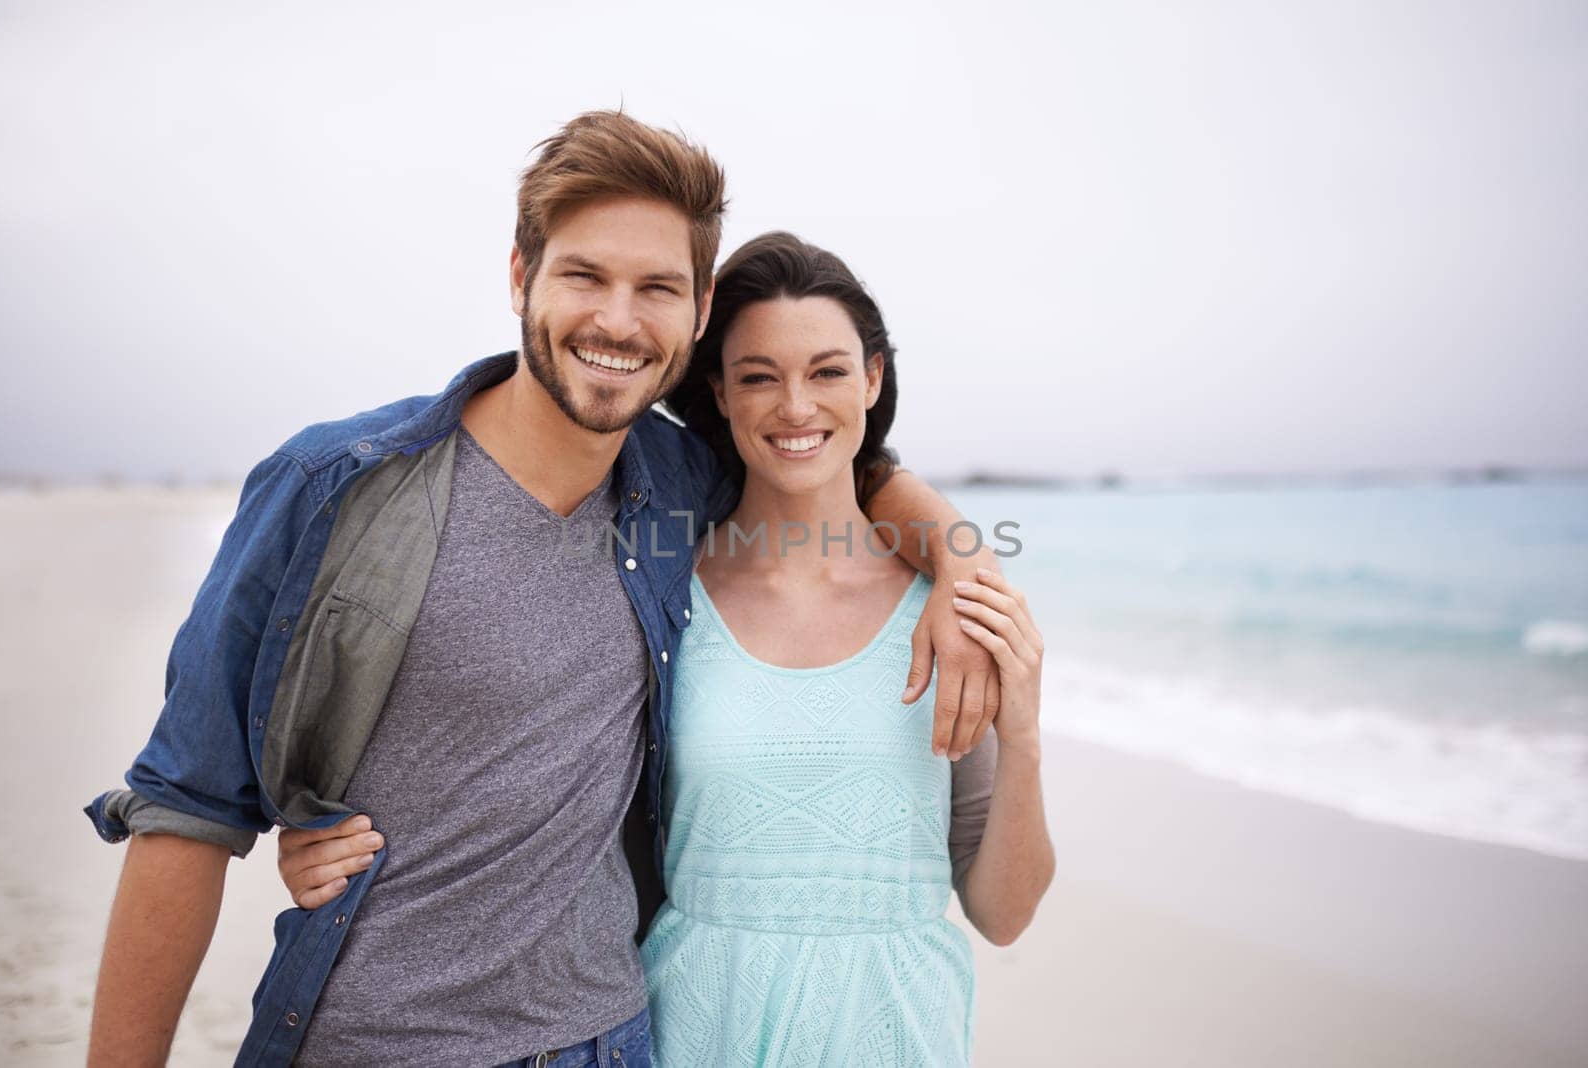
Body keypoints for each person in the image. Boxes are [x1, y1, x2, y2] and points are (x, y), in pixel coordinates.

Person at [83, 112, 1005, 1068]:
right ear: (521, 277)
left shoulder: (678, 486)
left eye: (658, 288)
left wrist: (964, 565)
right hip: (368, 1042)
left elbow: (839, 469)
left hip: (607, 1040)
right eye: (584, 276)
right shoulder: (335, 488)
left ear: (696, 318)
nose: (617, 319)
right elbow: (187, 810)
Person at [279, 233, 1056, 1064]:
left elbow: (1002, 915)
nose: (796, 407)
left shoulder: (948, 612)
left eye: (828, 372)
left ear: (871, 379)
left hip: (901, 1028)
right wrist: (342, 840)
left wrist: (1025, 738)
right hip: (693, 1025)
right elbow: (529, 767)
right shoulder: (660, 595)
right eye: (759, 376)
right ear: (718, 393)